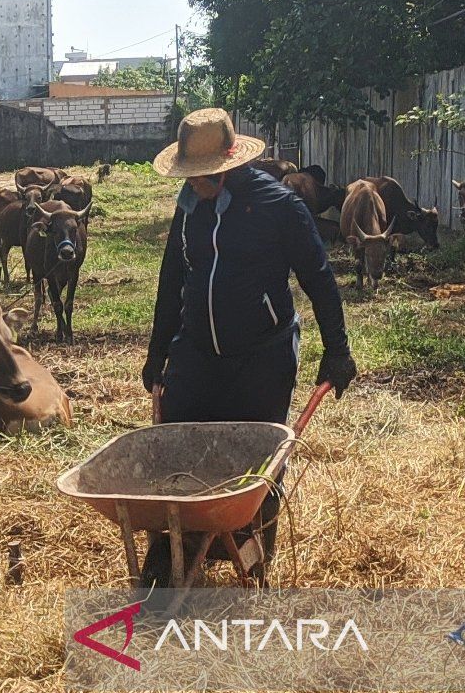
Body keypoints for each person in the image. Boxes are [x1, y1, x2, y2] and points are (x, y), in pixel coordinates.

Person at [139, 108, 357, 587]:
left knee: (257, 463)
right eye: (191, 177)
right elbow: (173, 277)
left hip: (263, 352)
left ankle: (254, 552)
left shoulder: (280, 207)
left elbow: (318, 278)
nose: (198, 184)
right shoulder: (189, 206)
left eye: (208, 177)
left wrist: (337, 349)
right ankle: (173, 553)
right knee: (177, 449)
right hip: (197, 348)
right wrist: (158, 353)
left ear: (233, 163)